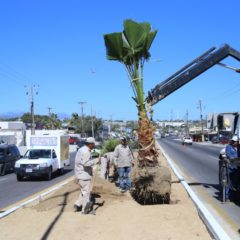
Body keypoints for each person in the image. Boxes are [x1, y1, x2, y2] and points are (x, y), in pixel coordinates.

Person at [74, 137, 97, 214]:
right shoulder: (86, 152)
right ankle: (85, 210)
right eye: (93, 144)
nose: (94, 145)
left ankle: (77, 204)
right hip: (84, 176)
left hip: (79, 174)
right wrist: (96, 160)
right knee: (86, 193)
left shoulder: (81, 149)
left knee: (83, 191)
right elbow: (86, 163)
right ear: (90, 144)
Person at [225, 135, 239, 201]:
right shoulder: (228, 147)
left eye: (235, 142)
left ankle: (234, 196)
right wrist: (233, 159)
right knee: (229, 182)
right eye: (233, 141)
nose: (234, 143)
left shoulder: (238, 147)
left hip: (237, 168)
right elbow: (228, 155)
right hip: (231, 166)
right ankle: (227, 196)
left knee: (235, 182)